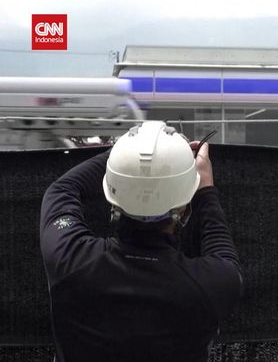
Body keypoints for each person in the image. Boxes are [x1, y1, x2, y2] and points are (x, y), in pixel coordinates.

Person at [39, 121, 242, 362]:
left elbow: (61, 190)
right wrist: (204, 188)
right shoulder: (210, 285)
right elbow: (223, 253)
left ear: (112, 200)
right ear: (185, 208)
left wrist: (127, 158)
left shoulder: (70, 259)